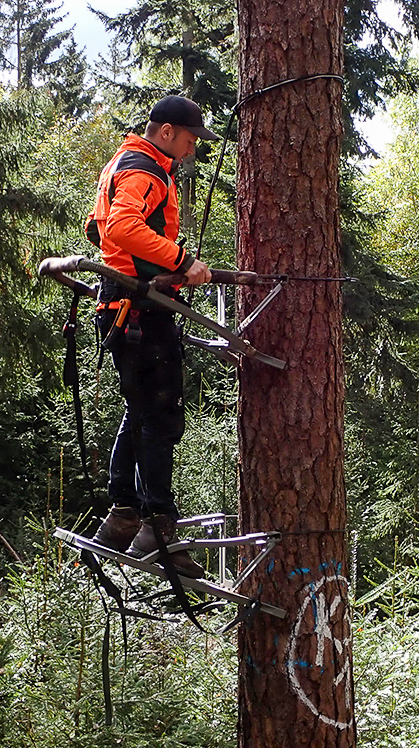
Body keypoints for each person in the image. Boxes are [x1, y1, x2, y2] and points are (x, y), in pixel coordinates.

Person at [85, 96, 219, 577]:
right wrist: (181, 262)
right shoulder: (145, 167)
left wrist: (171, 270)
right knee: (161, 417)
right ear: (166, 131)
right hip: (140, 312)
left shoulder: (128, 162)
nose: (190, 150)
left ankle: (123, 516)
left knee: (141, 412)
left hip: (126, 307)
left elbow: (101, 231)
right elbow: (120, 227)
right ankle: (157, 529)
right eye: (187, 140)